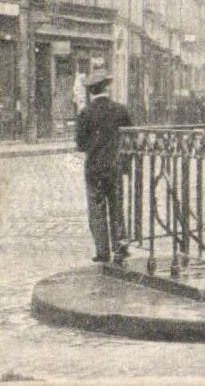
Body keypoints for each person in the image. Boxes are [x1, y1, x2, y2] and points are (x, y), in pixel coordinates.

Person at [75, 67, 132, 265]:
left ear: (91, 91)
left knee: (97, 209)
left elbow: (80, 145)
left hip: (94, 168)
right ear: (107, 87)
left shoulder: (85, 113)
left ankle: (102, 251)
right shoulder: (121, 110)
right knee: (117, 206)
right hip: (114, 166)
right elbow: (130, 137)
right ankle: (120, 248)